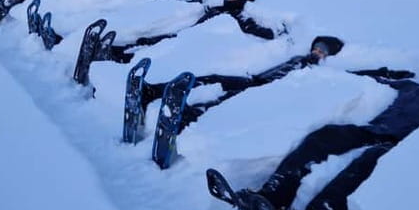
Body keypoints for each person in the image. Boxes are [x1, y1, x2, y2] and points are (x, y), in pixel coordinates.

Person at [235, 58, 419, 210]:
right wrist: (373, 71)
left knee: (367, 162)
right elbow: (370, 79)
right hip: (373, 130)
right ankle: (274, 195)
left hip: (400, 144)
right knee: (324, 136)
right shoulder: (409, 86)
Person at [141, 36, 349, 129]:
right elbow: (276, 69)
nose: (317, 52)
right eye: (316, 48)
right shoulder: (298, 57)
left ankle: (188, 116)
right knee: (214, 79)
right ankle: (158, 90)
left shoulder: (315, 71)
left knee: (224, 100)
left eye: (322, 52)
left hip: (265, 91)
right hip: (255, 81)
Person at [109, 0, 286, 62]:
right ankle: (119, 50)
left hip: (197, 41)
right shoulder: (217, 7)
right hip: (189, 32)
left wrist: (276, 32)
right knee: (153, 40)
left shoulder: (238, 14)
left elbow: (255, 29)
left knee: (161, 47)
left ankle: (126, 57)